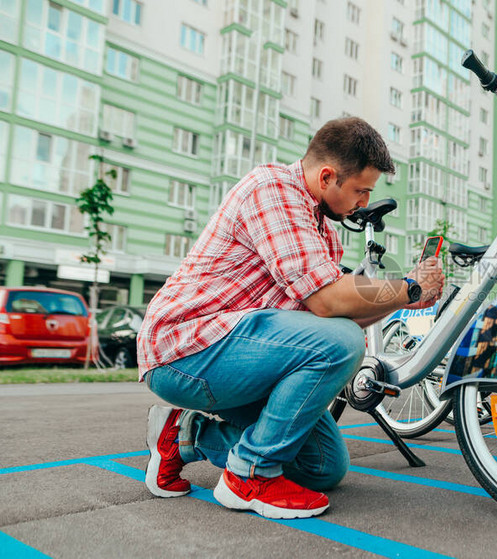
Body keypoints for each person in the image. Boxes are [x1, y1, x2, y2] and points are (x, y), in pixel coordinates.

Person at [137, 117, 445, 520]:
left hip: (239, 354)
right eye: (360, 191)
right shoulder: (273, 191)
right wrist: (410, 287)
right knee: (341, 344)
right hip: (185, 348)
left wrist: (405, 298)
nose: (364, 204)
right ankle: (249, 475)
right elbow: (327, 305)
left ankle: (183, 436)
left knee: (324, 467)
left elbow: (336, 316)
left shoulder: (324, 231)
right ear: (328, 176)